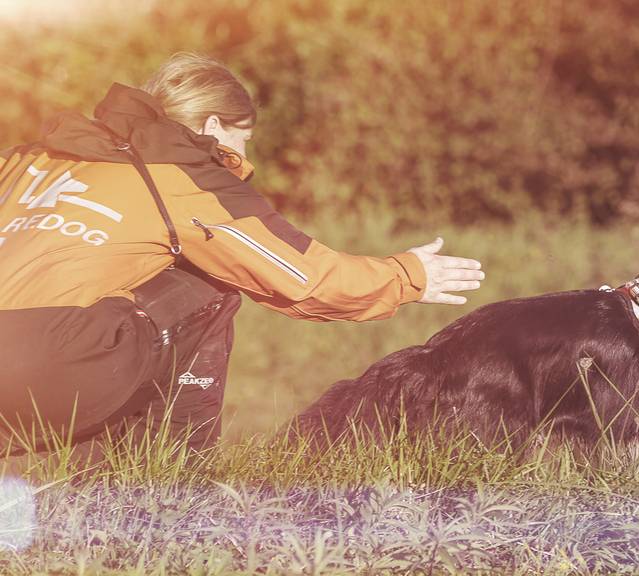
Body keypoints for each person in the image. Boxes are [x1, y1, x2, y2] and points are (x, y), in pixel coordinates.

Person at [0, 53, 485, 456]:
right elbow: (301, 276)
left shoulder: (28, 157)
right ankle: (172, 478)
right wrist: (407, 275)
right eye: (243, 139)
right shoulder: (179, 173)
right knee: (208, 282)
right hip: (48, 369)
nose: (243, 154)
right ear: (214, 125)